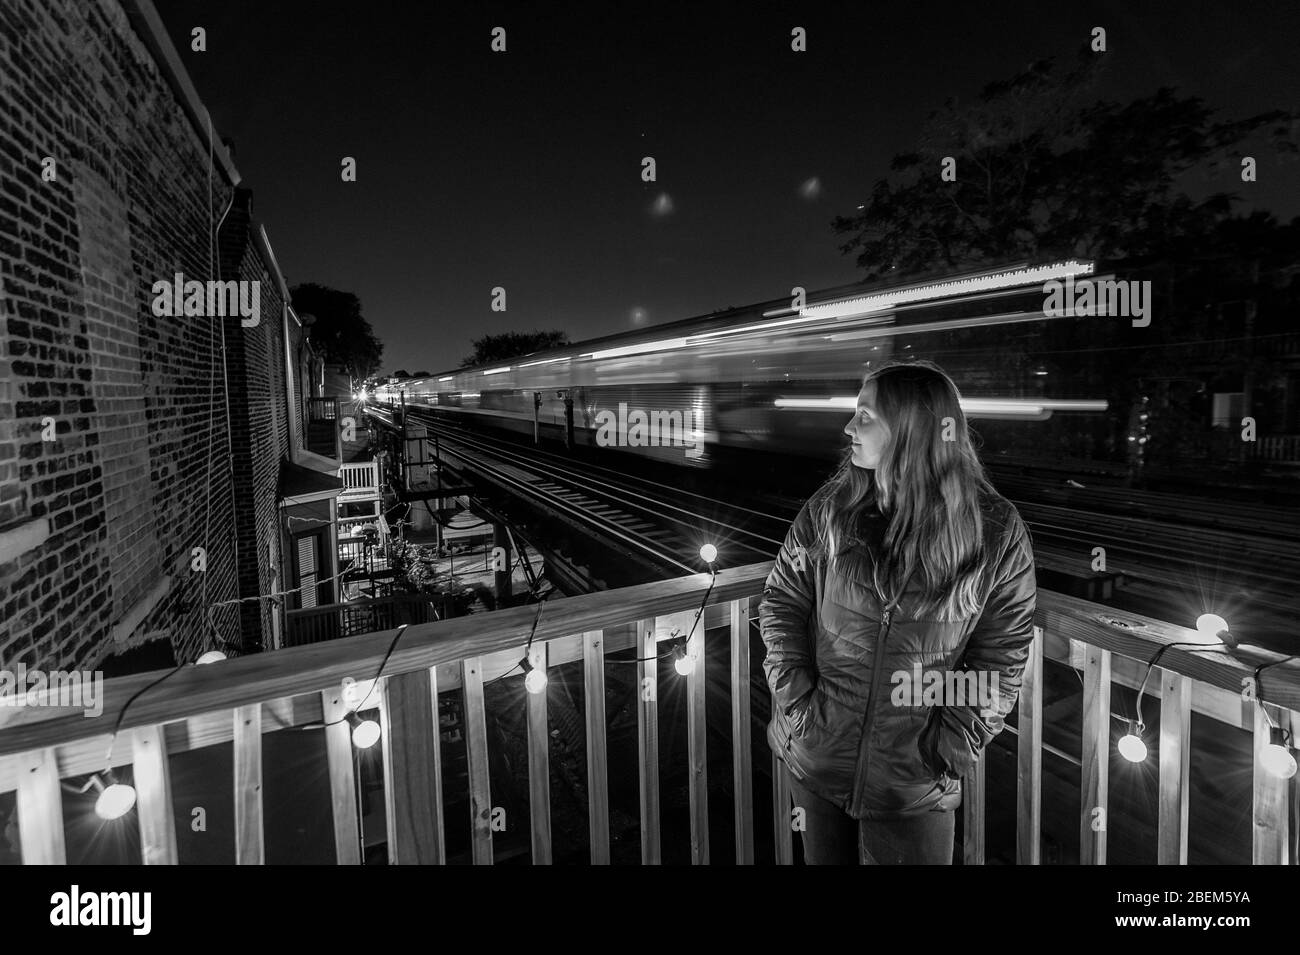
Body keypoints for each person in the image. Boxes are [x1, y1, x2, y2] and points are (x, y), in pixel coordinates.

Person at [760, 359, 1037, 864]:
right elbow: (782, 599)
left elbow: (1002, 654)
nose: (848, 427)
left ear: (912, 430)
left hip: (913, 787)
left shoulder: (994, 530)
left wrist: (949, 747)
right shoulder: (830, 509)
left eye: (864, 415)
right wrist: (797, 700)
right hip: (818, 760)